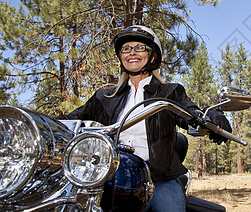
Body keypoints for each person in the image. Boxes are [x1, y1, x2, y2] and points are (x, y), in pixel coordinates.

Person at [62, 25, 232, 211]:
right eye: (126, 48)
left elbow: (190, 113)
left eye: (140, 47)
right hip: (111, 176)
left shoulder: (169, 92)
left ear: (153, 56)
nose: (131, 53)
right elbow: (70, 120)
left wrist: (210, 117)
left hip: (159, 178)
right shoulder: (104, 98)